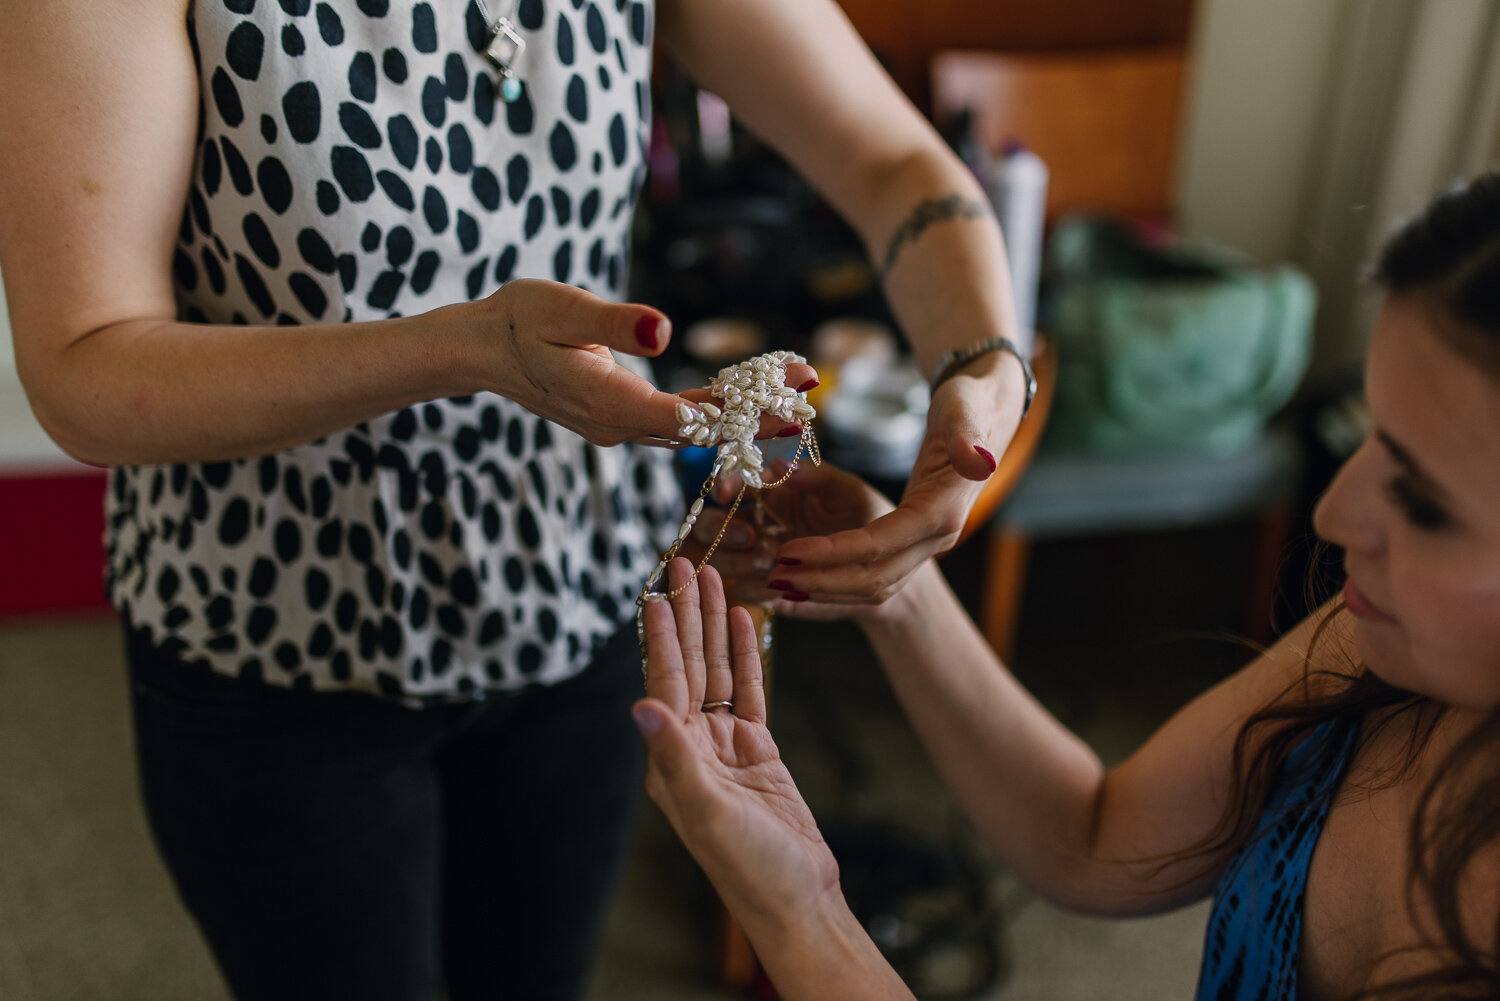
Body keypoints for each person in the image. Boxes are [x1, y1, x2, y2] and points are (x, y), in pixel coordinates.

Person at [0, 1, 1028, 998]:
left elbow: (893, 162)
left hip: (573, 582)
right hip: (273, 622)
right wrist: (463, 348)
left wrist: (988, 366)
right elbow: (87, 369)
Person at [634, 170, 1500, 1001]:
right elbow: (1098, 839)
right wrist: (894, 591)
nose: (1335, 514)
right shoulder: (1377, 647)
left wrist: (804, 917)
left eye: (1422, 502)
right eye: (1371, 436)